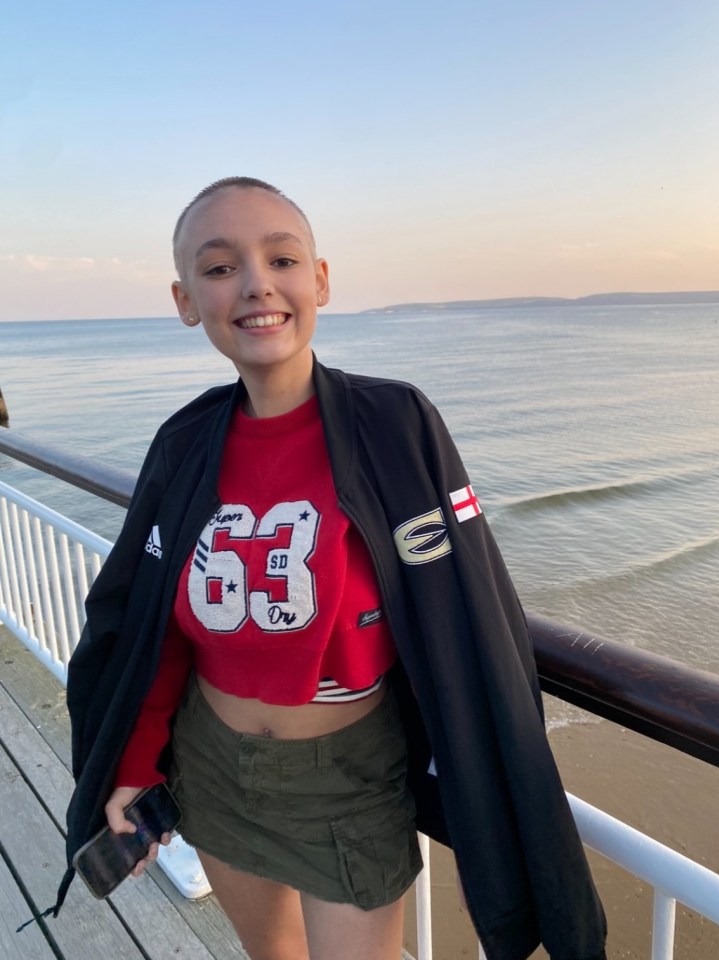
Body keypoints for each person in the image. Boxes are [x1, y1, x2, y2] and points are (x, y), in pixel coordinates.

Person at [61, 177, 607, 960]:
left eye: (281, 258)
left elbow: (466, 612)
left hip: (347, 780)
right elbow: (157, 631)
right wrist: (134, 767)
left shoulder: (395, 425)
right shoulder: (183, 446)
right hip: (211, 766)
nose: (255, 284)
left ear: (319, 279)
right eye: (219, 269)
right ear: (186, 301)